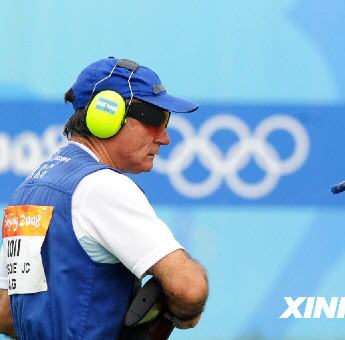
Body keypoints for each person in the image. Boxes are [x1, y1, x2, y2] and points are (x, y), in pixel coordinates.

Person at [0, 57, 208, 339]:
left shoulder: (28, 190)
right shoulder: (103, 188)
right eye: (156, 119)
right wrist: (184, 313)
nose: (165, 137)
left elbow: (6, 310)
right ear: (106, 114)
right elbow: (188, 287)